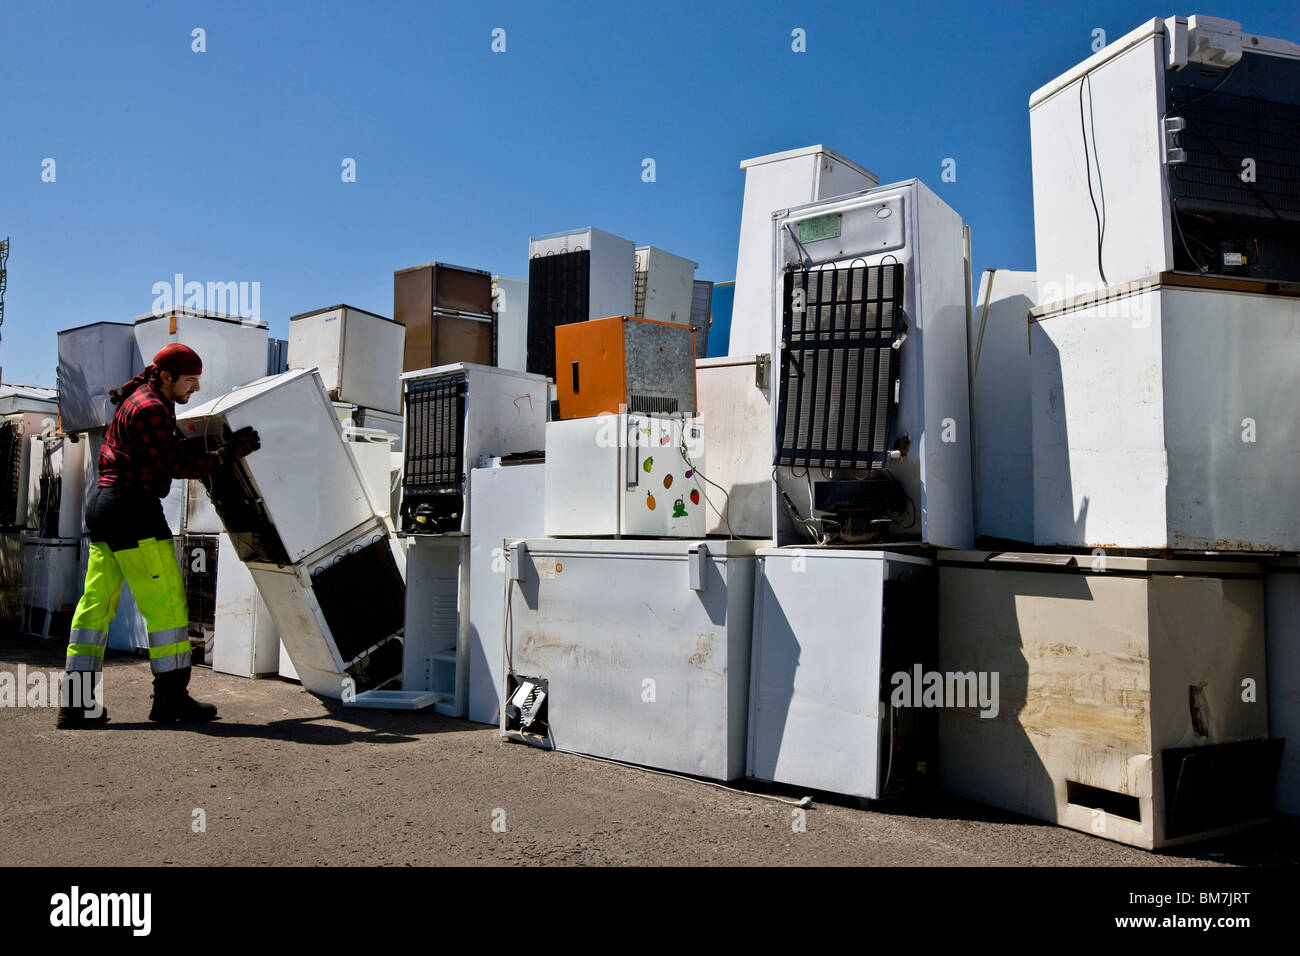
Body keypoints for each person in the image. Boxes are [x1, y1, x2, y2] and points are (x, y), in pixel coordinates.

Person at [57, 343, 260, 728]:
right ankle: (171, 700)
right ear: (166, 377)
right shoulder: (151, 408)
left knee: (95, 607)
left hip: (104, 507)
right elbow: (175, 462)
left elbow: (164, 450)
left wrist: (208, 448)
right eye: (190, 381)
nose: (195, 389)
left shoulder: (142, 397)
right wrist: (225, 454)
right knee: (165, 606)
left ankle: (76, 703)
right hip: (134, 512)